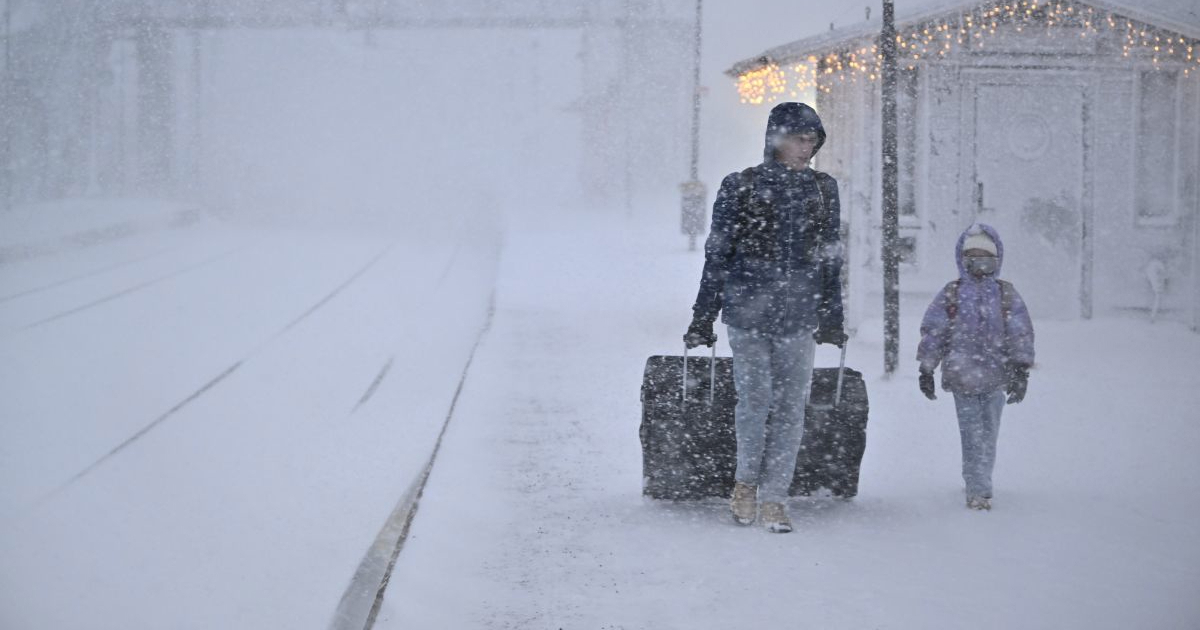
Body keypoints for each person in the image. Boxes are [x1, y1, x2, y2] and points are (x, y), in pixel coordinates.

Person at [684, 102, 846, 533]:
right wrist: (703, 315)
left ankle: (775, 496)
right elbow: (717, 255)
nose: (806, 149)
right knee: (753, 402)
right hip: (747, 314)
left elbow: (831, 255)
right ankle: (745, 485)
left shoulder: (822, 189)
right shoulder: (741, 187)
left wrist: (832, 314)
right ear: (776, 140)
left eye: (812, 141)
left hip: (799, 315)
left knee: (792, 408)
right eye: (798, 140)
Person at [916, 224, 1035, 511]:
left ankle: (978, 479)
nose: (979, 262)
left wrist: (1021, 369)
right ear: (963, 259)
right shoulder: (953, 293)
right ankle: (978, 489)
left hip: (996, 376)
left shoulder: (1005, 294)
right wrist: (926, 368)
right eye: (973, 256)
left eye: (986, 257)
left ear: (997, 259)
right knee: (971, 434)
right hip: (962, 378)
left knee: (989, 433)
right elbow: (934, 331)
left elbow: (1020, 332)